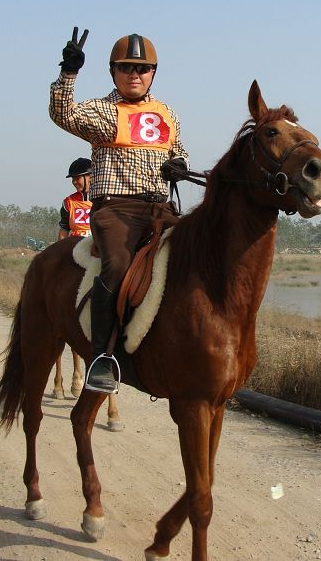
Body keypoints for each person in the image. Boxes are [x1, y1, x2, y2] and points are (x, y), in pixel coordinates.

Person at [49, 28, 189, 393]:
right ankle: (101, 357)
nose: (134, 74)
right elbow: (62, 114)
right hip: (116, 209)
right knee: (119, 265)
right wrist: (68, 73)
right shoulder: (102, 110)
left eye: (142, 68)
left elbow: (180, 152)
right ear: (113, 72)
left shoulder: (166, 113)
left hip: (161, 207)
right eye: (126, 67)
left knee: (194, 255)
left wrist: (179, 164)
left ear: (152, 73)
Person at [58, 158, 93, 240]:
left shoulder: (103, 199)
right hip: (76, 246)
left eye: (77, 178)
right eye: (73, 179)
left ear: (91, 177)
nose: (74, 182)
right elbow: (64, 229)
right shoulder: (68, 202)